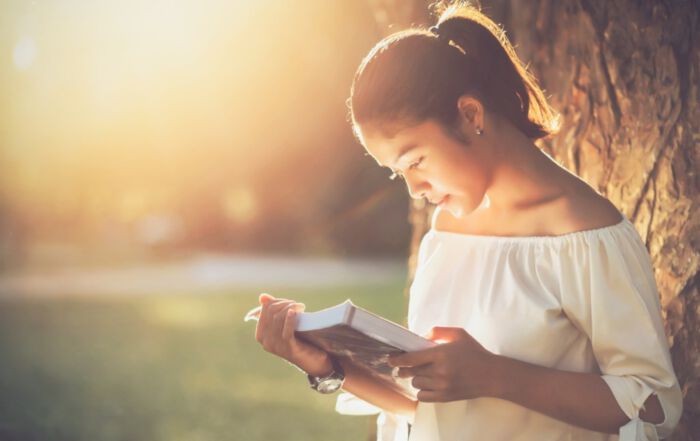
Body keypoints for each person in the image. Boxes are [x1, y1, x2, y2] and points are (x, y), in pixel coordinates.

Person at [253, 3, 683, 440]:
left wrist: (496, 375)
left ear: (471, 115)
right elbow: (425, 407)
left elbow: (654, 405)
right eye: (397, 172)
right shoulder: (445, 230)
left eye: (415, 160)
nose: (413, 187)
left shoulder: (583, 235)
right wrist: (328, 367)